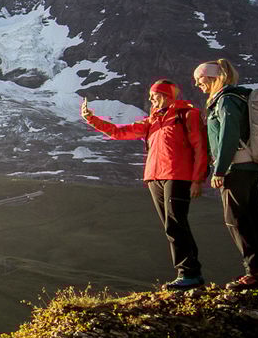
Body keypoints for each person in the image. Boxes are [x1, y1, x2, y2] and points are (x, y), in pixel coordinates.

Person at [80, 80, 211, 290]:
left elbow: (200, 147)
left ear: (167, 95)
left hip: (178, 175)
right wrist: (92, 119)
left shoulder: (186, 115)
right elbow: (119, 132)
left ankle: (189, 274)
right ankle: (189, 273)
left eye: (154, 95)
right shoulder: (152, 120)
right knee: (171, 224)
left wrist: (197, 179)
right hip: (154, 177)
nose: (151, 99)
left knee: (175, 223)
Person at [192, 58, 258, 287]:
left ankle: (255, 271)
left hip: (236, 168)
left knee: (236, 218)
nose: (197, 84)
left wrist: (219, 170)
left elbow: (228, 136)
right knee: (256, 216)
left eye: (199, 79)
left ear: (213, 77)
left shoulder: (225, 101)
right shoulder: (236, 98)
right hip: (249, 166)